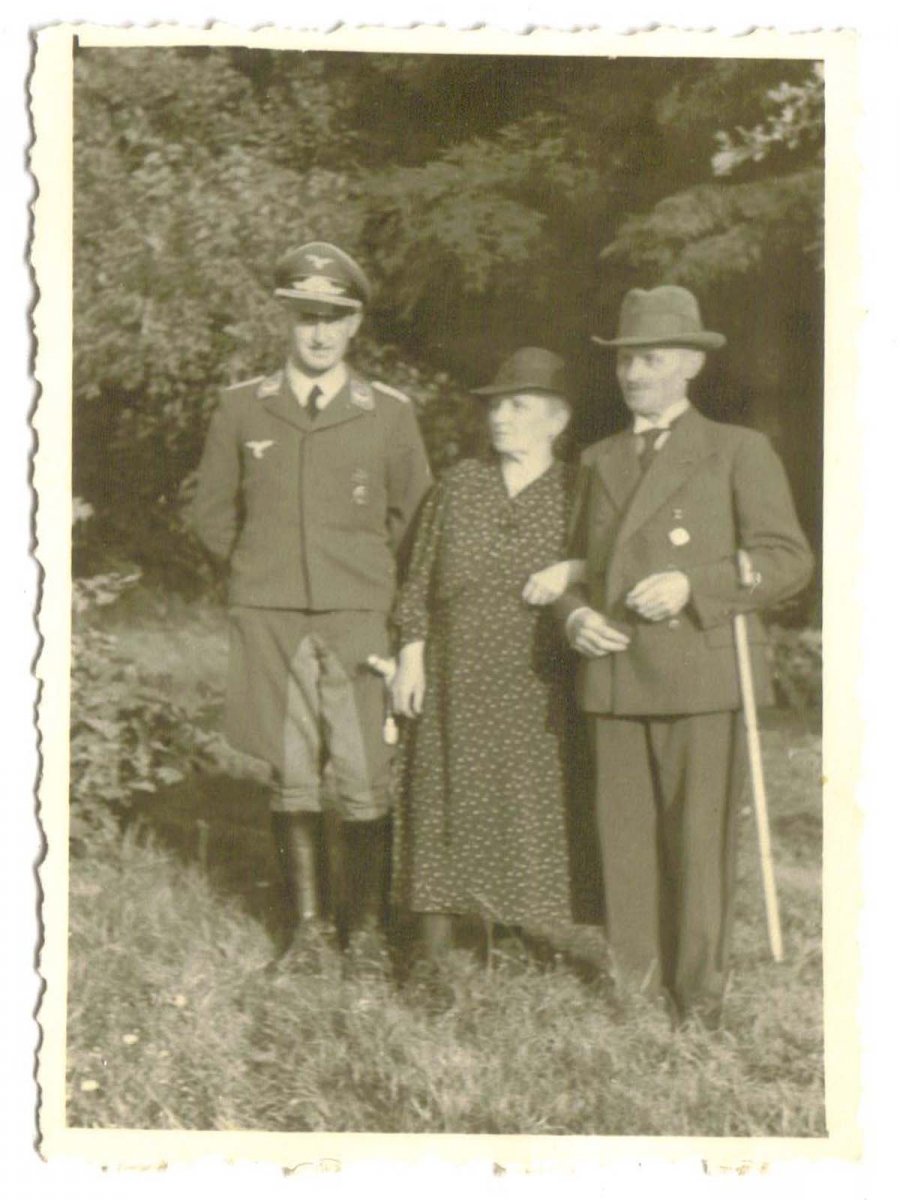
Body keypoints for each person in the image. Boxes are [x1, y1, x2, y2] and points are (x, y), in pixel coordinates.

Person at [553, 285, 814, 1024]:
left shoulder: (737, 450)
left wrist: (693, 584)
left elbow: (788, 559)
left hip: (701, 672)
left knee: (698, 840)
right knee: (624, 842)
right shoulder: (598, 458)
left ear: (690, 366)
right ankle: (636, 991)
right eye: (626, 360)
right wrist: (574, 619)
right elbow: (572, 569)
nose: (634, 373)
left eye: (652, 359)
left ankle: (699, 996)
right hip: (614, 673)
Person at [188, 241, 432, 958]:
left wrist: (381, 597)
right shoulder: (243, 407)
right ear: (287, 322)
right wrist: (257, 573)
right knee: (292, 774)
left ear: (355, 325)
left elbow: (415, 523)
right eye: (306, 318)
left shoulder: (387, 413)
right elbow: (210, 513)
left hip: (359, 618)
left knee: (364, 774)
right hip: (272, 618)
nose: (319, 334)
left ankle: (367, 934)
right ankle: (309, 932)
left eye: (334, 318)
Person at [390, 347, 588, 962]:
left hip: (536, 675)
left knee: (524, 801)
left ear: (557, 420)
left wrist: (574, 568)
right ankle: (434, 950)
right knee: (442, 794)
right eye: (496, 406)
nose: (500, 417)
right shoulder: (460, 484)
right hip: (454, 668)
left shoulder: (577, 490)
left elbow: (612, 561)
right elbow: (418, 578)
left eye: (518, 406)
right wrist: (411, 656)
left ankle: (515, 935)